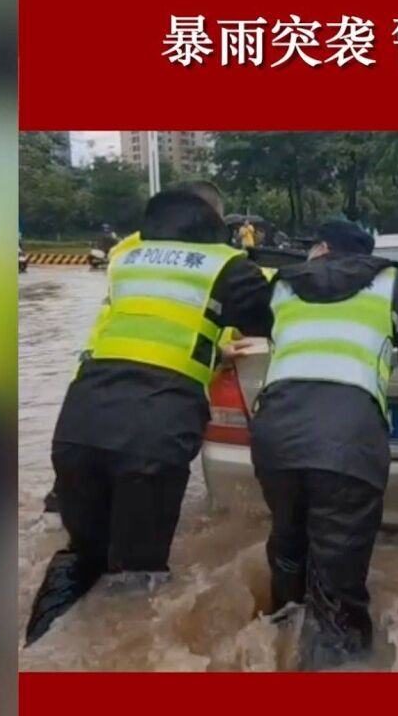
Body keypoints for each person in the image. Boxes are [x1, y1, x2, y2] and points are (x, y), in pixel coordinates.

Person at [24, 188, 274, 646]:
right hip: (152, 436)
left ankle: (37, 650)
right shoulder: (229, 268)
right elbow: (269, 323)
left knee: (81, 554)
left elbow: (154, 323)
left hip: (78, 427)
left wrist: (208, 346)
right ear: (214, 221)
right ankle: (125, 662)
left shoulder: (126, 259)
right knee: (137, 578)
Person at [248, 221, 398, 669]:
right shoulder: (395, 283)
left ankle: (272, 648)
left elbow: (266, 333)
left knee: (289, 546)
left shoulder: (282, 284)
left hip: (275, 436)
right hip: (348, 441)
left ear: (324, 249)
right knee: (338, 580)